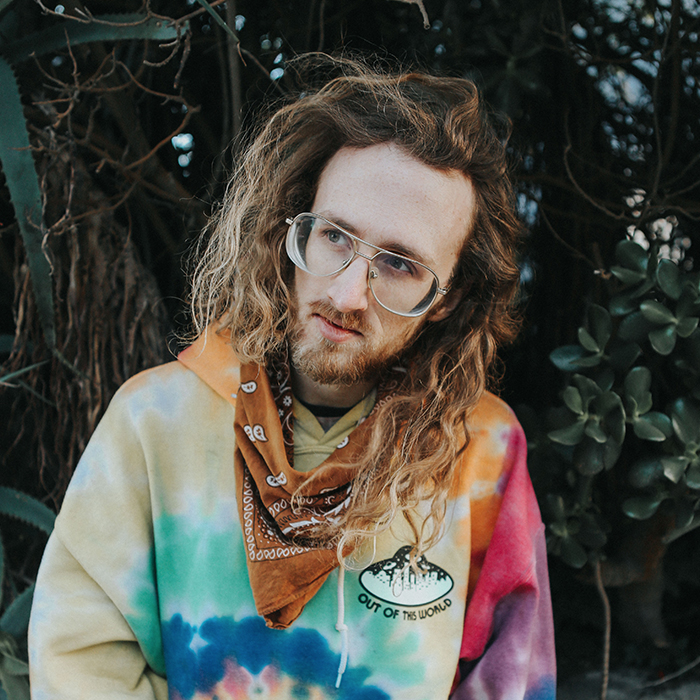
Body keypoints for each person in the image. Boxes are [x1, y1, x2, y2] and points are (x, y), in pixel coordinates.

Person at [28, 55, 556, 700]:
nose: (347, 293)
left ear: (448, 298)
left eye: (400, 264)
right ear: (292, 227)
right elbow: (81, 660)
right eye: (335, 236)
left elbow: (511, 679)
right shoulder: (155, 419)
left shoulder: (483, 449)